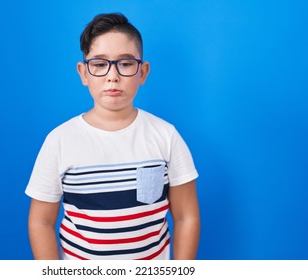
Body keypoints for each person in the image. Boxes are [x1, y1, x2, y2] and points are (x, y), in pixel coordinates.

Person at [25, 12, 200, 260]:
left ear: (143, 71)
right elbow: (40, 222)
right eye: (99, 64)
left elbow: (186, 216)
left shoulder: (166, 136)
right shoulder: (60, 141)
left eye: (126, 63)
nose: (113, 76)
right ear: (83, 73)